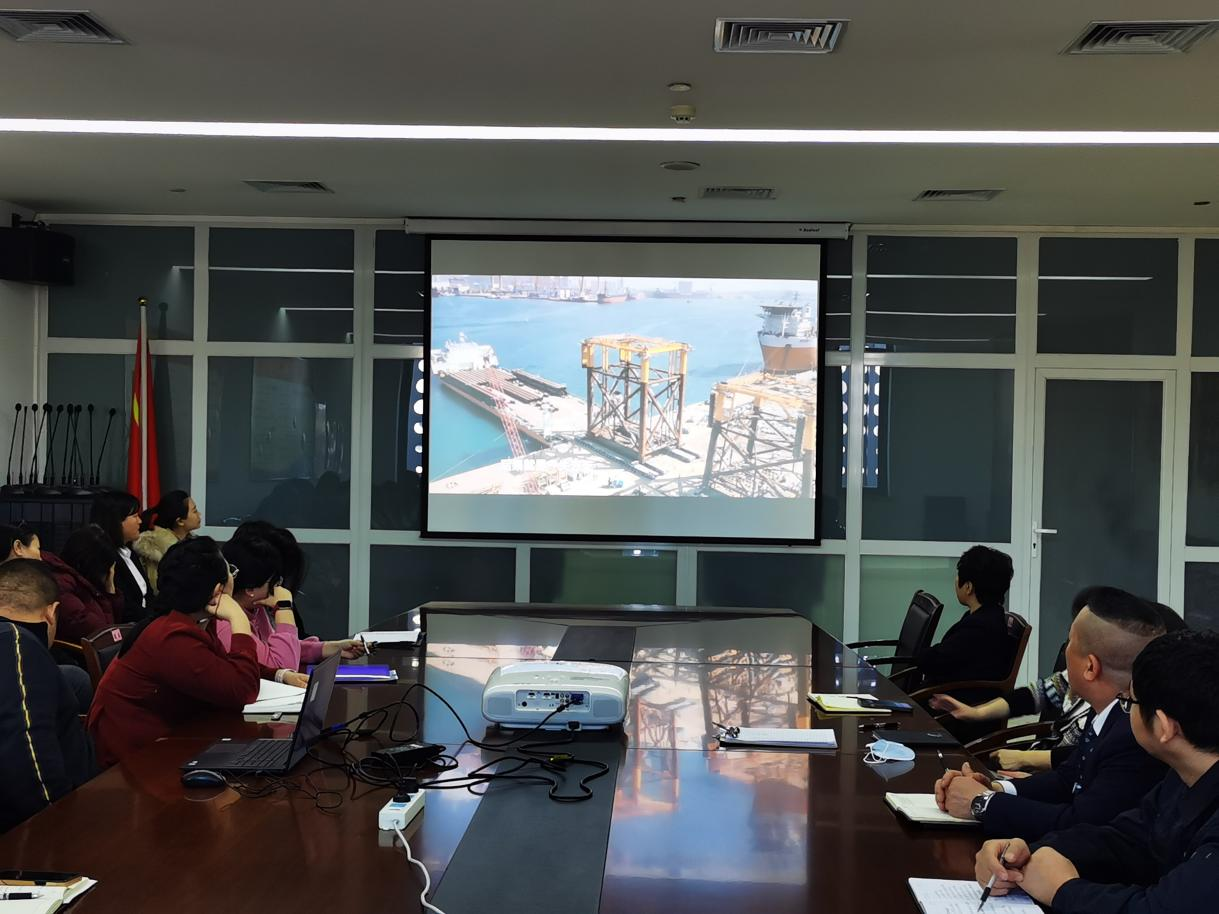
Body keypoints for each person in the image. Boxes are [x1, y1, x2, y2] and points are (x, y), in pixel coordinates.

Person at [974, 629, 1219, 912]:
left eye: (1128, 702)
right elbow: (1127, 839)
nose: (1125, 710)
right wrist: (1027, 853)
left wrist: (1064, 890)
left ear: (1164, 727)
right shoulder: (1183, 775)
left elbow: (1160, 909)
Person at [935, 587, 1167, 840]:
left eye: (1069, 642)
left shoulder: (1133, 735)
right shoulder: (1107, 709)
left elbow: (1078, 825)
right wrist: (995, 787)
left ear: (1090, 667)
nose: (1065, 651)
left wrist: (982, 803)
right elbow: (1067, 779)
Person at [86, 537, 261, 767]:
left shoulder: (188, 620)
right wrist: (239, 618)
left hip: (169, 741)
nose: (233, 577)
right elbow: (242, 690)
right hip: (135, 762)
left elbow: (220, 667)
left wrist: (279, 674)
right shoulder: (172, 636)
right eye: (231, 572)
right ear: (218, 591)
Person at [931, 586, 1102, 773]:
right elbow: (1034, 696)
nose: (1066, 648)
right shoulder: (1075, 678)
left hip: (1049, 779)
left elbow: (1081, 763)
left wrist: (1024, 761)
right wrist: (975, 712)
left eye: (1073, 641)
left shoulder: (1112, 716)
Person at [0, 560, 96, 831]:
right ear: (52, 613)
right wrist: (59, 827)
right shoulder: (17, 645)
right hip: (46, 831)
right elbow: (28, 754)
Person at [214, 536, 363, 687]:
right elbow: (284, 666)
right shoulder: (226, 624)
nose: (278, 588)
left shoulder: (254, 608)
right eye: (274, 582)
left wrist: (331, 648)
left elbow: (280, 649)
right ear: (250, 589)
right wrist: (284, 608)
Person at [913, 547, 1017, 742]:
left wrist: (923, 654)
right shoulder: (988, 616)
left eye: (958, 576)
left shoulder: (980, 627)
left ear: (968, 587)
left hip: (957, 715)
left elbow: (934, 661)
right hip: (957, 700)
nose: (955, 580)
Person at [40, 525, 124, 645]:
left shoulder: (81, 581)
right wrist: (110, 590)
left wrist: (111, 592)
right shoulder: (63, 585)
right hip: (80, 653)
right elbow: (103, 635)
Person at [231, 520, 310, 636]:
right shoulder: (230, 622)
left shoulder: (261, 607)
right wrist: (284, 607)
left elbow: (298, 641)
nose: (278, 586)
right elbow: (284, 648)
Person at [91, 490, 151, 622]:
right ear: (116, 521)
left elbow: (147, 596)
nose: (140, 521)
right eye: (135, 516)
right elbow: (123, 607)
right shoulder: (102, 557)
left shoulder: (129, 552)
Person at [133, 490, 201, 594]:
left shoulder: (192, 542)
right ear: (180, 521)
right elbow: (158, 590)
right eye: (195, 511)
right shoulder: (157, 549)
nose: (199, 514)